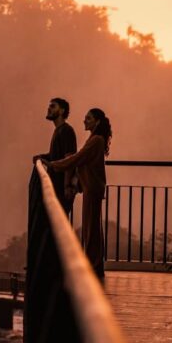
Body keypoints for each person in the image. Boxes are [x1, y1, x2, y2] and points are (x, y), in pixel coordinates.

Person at [47, 108, 111, 280]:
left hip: (92, 188)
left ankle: (93, 266)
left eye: (88, 118)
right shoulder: (96, 139)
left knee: (91, 228)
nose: (85, 121)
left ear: (97, 121)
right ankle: (95, 265)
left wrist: (54, 165)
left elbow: (77, 158)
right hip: (92, 187)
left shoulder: (96, 140)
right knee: (92, 227)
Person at [32, 98, 77, 214]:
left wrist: (67, 186)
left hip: (61, 188)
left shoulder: (66, 131)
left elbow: (69, 159)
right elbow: (56, 155)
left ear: (62, 111)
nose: (49, 109)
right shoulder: (58, 130)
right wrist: (42, 157)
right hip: (57, 186)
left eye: (53, 106)